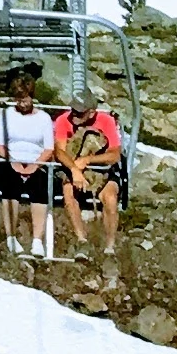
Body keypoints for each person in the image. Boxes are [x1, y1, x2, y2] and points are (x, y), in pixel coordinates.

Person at [54, 90, 128, 264]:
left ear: (91, 112)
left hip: (102, 170)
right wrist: (74, 169)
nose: (75, 116)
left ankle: (109, 246)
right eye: (74, 111)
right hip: (74, 168)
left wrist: (88, 160)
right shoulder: (63, 121)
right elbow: (60, 151)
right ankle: (81, 240)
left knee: (109, 198)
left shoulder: (106, 121)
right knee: (69, 192)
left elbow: (114, 154)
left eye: (80, 113)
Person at [0, 70, 62, 258]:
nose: (22, 104)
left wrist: (35, 165)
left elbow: (48, 148)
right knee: (10, 186)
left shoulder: (43, 119)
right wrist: (13, 161)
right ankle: (11, 237)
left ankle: (37, 240)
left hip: (36, 161)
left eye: (25, 99)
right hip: (11, 160)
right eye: (19, 99)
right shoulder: (7, 115)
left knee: (39, 189)